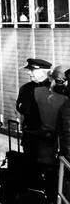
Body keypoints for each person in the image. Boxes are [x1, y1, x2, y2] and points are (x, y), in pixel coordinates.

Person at [17, 57, 65, 188]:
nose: (29, 73)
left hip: (50, 138)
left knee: (51, 170)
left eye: (32, 70)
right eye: (29, 70)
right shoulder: (26, 88)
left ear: (45, 72)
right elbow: (21, 108)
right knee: (31, 167)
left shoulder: (56, 88)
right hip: (31, 135)